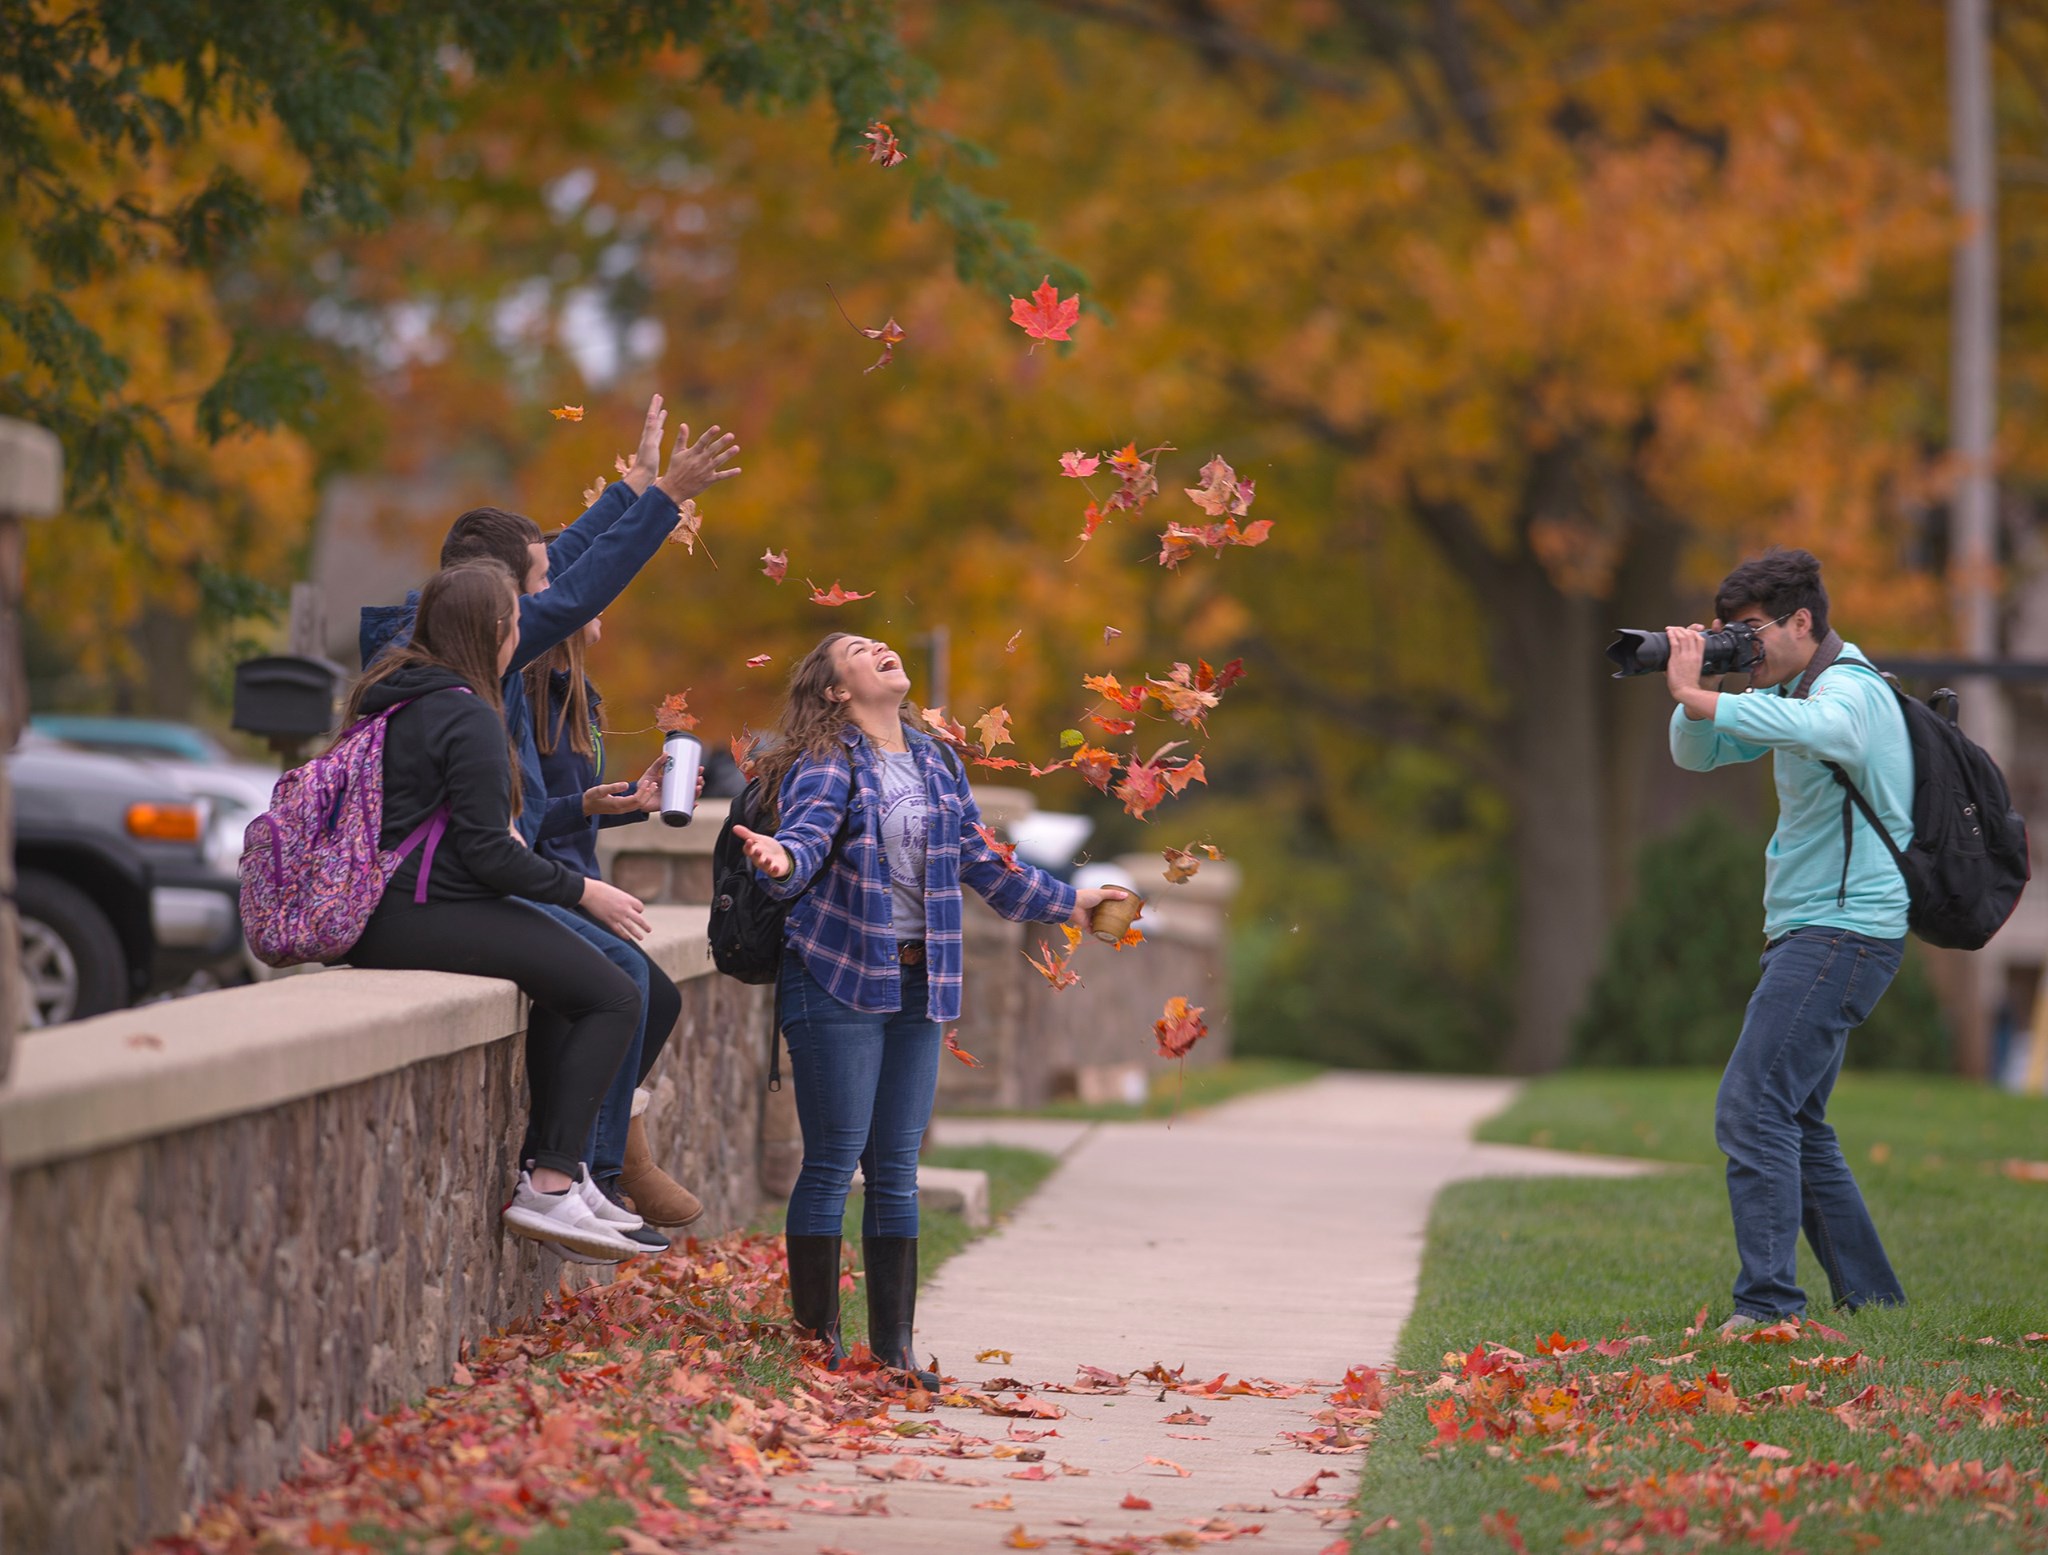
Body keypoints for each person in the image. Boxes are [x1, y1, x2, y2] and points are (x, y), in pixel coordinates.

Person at [358, 397, 737, 1252]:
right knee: (611, 979)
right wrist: (663, 501)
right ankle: (563, 1175)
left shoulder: (442, 641)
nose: (545, 603)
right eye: (527, 595)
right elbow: (570, 590)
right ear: (494, 607)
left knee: (625, 982)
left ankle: (580, 1173)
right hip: (432, 895)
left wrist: (632, 489)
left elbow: (557, 563)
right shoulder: (453, 688)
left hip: (455, 883)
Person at [729, 632, 1132, 1385]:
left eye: (880, 640)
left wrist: (1073, 900)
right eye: (857, 647)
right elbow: (807, 840)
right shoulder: (827, 762)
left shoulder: (936, 761)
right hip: (837, 977)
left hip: (919, 985)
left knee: (896, 1171)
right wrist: (781, 857)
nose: (879, 644)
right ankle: (817, 1350)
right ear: (835, 691)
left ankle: (894, 1353)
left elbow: (987, 862)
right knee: (832, 1161)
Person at [337, 562, 654, 1263]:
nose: (523, 631)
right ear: (496, 632)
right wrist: (583, 891)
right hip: (421, 911)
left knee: (567, 985)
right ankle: (549, 1182)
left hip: (403, 903)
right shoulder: (469, 715)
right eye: (517, 619)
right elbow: (488, 855)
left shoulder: (398, 694)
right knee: (614, 993)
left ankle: (560, 1171)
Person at [1663, 547, 1913, 1332]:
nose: (1744, 643)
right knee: (1796, 1120)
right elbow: (1694, 751)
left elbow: (1827, 729)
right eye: (1729, 631)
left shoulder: (1851, 689)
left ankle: (1769, 1307)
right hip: (1816, 930)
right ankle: (1874, 1300)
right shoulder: (1791, 689)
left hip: (1843, 930)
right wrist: (1699, 684)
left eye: (1752, 631)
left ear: (1802, 621)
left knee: (1751, 1105)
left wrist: (1700, 694)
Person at [529, 612, 704, 1229]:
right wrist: (577, 887)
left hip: (575, 876)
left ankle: (610, 1162)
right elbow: (522, 816)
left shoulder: (574, 693)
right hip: (544, 883)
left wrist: (633, 804)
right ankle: (599, 1168)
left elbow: (574, 806)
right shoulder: (524, 694)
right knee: (630, 986)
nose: (603, 608)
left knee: (657, 997)